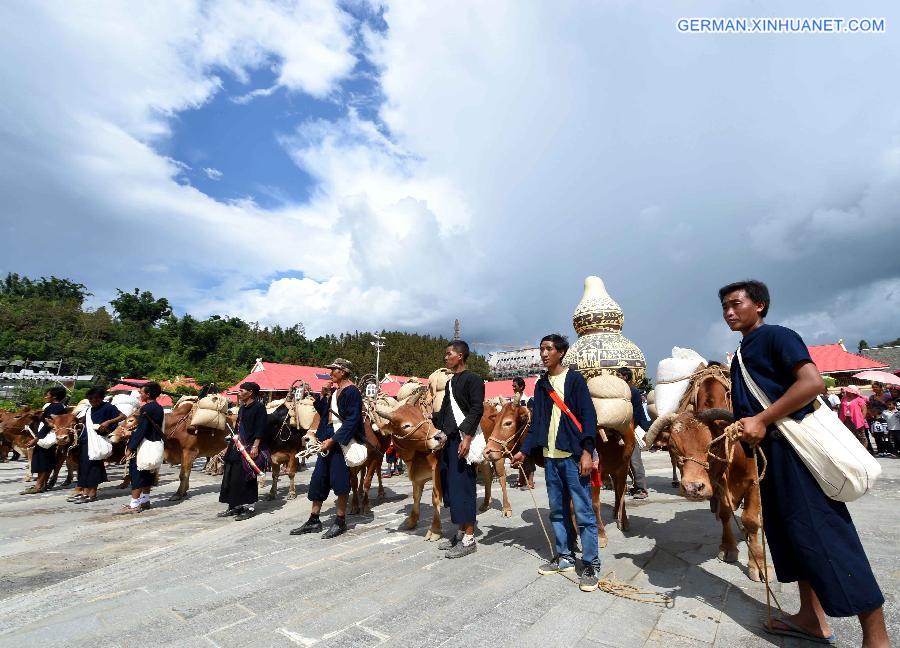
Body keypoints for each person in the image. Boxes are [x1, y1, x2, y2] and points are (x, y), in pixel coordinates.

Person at [720, 279, 887, 646]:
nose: (729, 312)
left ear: (760, 305)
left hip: (798, 454)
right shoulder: (742, 352)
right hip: (770, 458)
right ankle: (812, 617)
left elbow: (812, 384)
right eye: (725, 308)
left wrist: (762, 420)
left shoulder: (779, 336)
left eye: (736, 304)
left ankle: (876, 637)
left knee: (827, 536)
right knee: (792, 539)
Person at [512, 334, 601, 592]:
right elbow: (536, 423)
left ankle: (591, 563)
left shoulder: (574, 380)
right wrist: (524, 452)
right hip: (550, 460)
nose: (544, 353)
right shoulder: (541, 385)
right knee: (558, 511)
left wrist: (587, 451)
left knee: (584, 513)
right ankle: (564, 557)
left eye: (549, 349)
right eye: (541, 349)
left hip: (573, 458)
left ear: (561, 352)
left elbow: (588, 417)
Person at [291, 359, 364, 539]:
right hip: (328, 437)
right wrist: (323, 397)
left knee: (340, 481)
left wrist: (333, 440)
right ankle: (314, 519)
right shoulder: (334, 391)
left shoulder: (352, 392)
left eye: (334, 370)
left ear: (344, 371)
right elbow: (326, 414)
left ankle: (340, 521)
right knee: (319, 479)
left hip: (340, 440)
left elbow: (353, 420)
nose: (330, 373)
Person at [433, 340, 484, 558]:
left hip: (464, 440)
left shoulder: (473, 379)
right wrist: (429, 418)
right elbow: (445, 413)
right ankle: (461, 532)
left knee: (463, 487)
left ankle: (470, 538)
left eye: (449, 354)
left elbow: (476, 409)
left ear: (460, 356)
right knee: (452, 488)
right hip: (450, 441)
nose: (446, 358)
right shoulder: (451, 383)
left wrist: (468, 437)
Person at [218, 381, 269, 521]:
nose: (239, 393)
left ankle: (250, 507)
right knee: (232, 474)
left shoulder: (259, 408)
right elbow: (238, 427)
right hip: (238, 446)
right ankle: (235, 505)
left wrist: (255, 446)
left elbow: (261, 428)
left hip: (250, 447)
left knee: (248, 475)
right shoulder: (242, 408)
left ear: (250, 392)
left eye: (241, 390)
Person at [70, 387, 125, 504]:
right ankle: (84, 492)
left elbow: (122, 416)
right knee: (84, 467)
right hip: (86, 441)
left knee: (93, 466)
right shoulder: (89, 410)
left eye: (95, 398)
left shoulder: (108, 407)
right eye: (90, 399)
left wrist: (108, 422)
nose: (93, 401)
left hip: (98, 440)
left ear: (101, 398)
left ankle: (92, 493)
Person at [118, 382, 164, 515]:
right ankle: (145, 500)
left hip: (143, 446)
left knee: (136, 473)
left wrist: (131, 446)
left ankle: (134, 504)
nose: (140, 394)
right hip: (154, 443)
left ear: (148, 394)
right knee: (147, 473)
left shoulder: (146, 409)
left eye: (141, 392)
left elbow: (142, 430)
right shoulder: (158, 408)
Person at [21, 386, 68, 495]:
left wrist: (36, 439)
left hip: (46, 439)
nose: (46, 396)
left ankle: (38, 486)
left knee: (43, 462)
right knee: (45, 461)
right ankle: (42, 484)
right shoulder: (54, 406)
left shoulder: (57, 408)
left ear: (54, 396)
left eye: (48, 394)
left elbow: (48, 425)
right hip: (44, 437)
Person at [615, 367, 652, 500]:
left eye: (618, 375)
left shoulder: (633, 391)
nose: (616, 377)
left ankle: (642, 489)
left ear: (625, 377)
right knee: (626, 460)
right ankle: (635, 486)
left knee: (635, 459)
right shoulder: (621, 391)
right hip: (624, 428)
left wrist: (628, 429)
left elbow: (635, 413)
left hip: (634, 428)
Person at [512, 377, 535, 490]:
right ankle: (521, 478)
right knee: (518, 454)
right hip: (516, 433)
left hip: (526, 433)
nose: (513, 388)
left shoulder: (528, 400)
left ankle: (530, 481)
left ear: (521, 387)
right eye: (513, 386)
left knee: (529, 456)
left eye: (515, 386)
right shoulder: (513, 400)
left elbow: (531, 415)